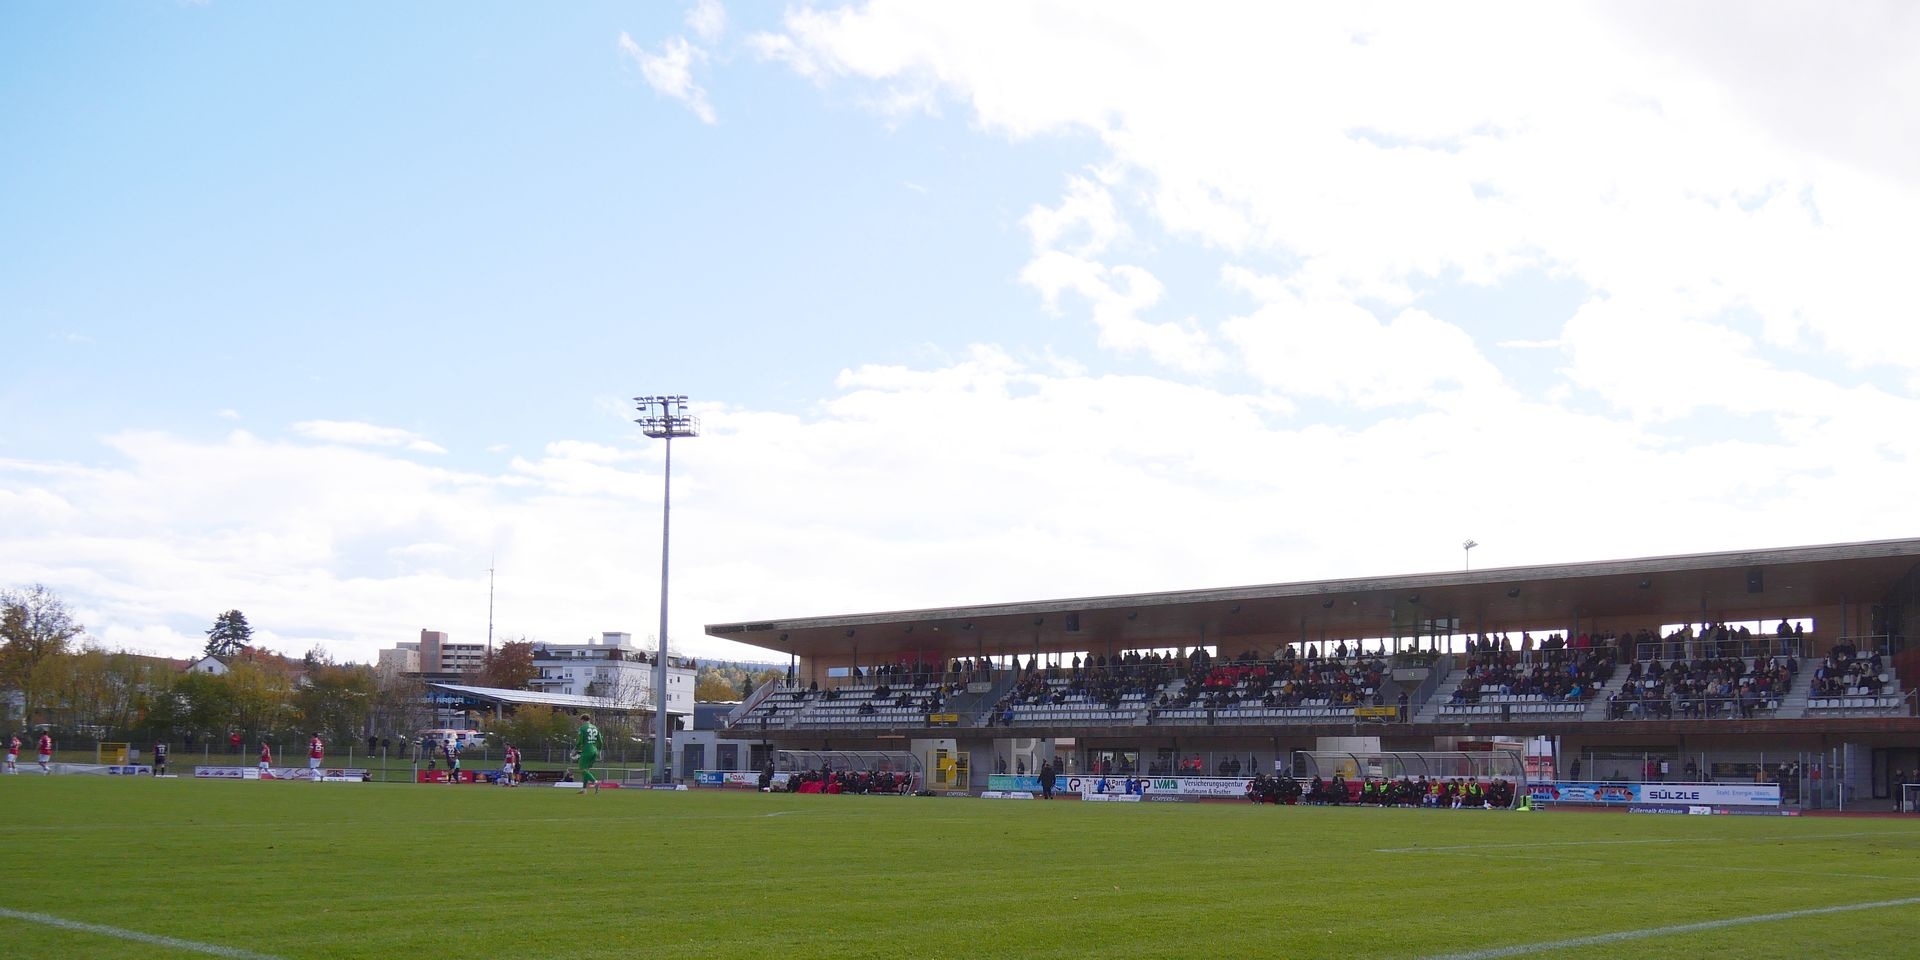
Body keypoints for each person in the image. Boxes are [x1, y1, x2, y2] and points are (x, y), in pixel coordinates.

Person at [575, 713, 602, 794]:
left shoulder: (582, 728)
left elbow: (580, 740)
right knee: (586, 771)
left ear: (582, 720)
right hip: (594, 751)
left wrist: (575, 749)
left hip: (587, 750)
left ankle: (595, 782)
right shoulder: (595, 728)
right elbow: (600, 741)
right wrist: (599, 751)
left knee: (582, 769)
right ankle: (584, 789)